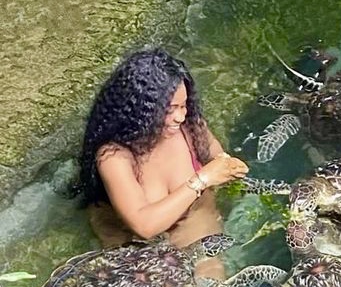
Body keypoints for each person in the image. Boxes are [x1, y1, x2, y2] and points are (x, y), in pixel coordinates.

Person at [73, 48, 248, 264]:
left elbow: (213, 149)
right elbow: (144, 225)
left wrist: (225, 162)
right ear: (141, 111)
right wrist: (203, 179)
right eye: (170, 109)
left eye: (184, 105)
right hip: (134, 242)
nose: (181, 116)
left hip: (195, 221)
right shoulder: (114, 157)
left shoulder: (189, 126)